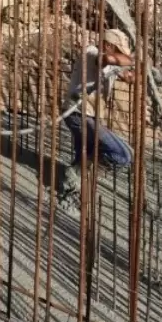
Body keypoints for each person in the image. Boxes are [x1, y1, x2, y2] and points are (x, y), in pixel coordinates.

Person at [58, 29, 135, 208]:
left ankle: (72, 189)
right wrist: (132, 60)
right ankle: (75, 173)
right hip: (78, 114)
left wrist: (149, 74)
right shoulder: (92, 52)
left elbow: (129, 77)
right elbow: (106, 59)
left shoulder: (111, 64)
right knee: (122, 154)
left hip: (90, 115)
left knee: (86, 153)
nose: (120, 57)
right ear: (107, 46)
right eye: (118, 51)